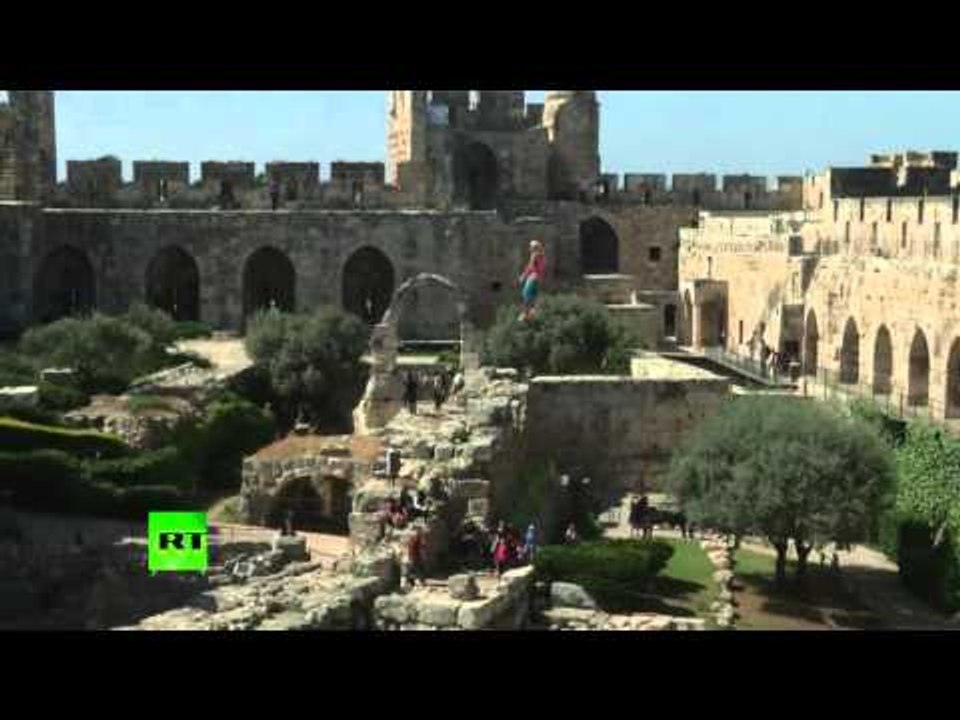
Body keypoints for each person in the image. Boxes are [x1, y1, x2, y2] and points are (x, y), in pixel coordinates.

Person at [517, 240, 546, 322]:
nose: (530, 249)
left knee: (525, 293)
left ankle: (525, 313)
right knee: (532, 294)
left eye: (531, 247)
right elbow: (531, 267)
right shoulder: (540, 256)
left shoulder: (536, 255)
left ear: (534, 248)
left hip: (533, 277)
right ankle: (532, 311)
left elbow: (531, 267)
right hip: (536, 277)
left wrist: (524, 276)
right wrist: (524, 275)